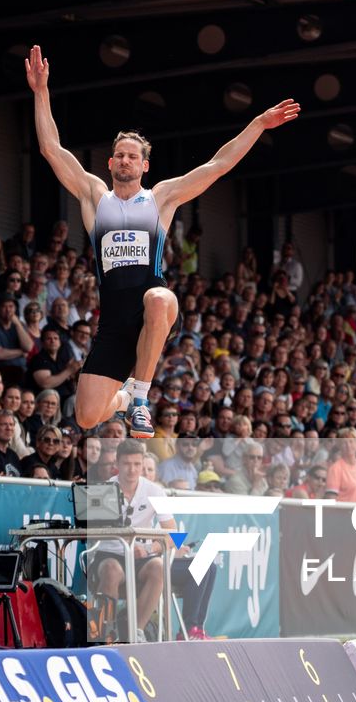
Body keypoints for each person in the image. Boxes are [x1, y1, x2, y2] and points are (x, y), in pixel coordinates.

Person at [26, 43, 299, 436]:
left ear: (144, 165)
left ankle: (139, 399)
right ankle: (122, 400)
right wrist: (41, 92)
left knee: (157, 298)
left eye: (132, 156)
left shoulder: (160, 198)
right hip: (114, 323)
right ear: (110, 162)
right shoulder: (94, 197)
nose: (124, 161)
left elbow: (217, 166)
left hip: (154, 304)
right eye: (119, 155)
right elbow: (51, 148)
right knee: (86, 415)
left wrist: (256, 124)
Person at [86, 439, 216, 640]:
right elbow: (91, 533)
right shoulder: (103, 490)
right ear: (117, 464)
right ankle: (105, 633)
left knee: (158, 566)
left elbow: (174, 534)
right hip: (109, 554)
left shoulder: (154, 490)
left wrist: (148, 549)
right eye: (127, 464)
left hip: (141, 557)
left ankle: (135, 631)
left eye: (137, 464)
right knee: (112, 569)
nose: (132, 469)